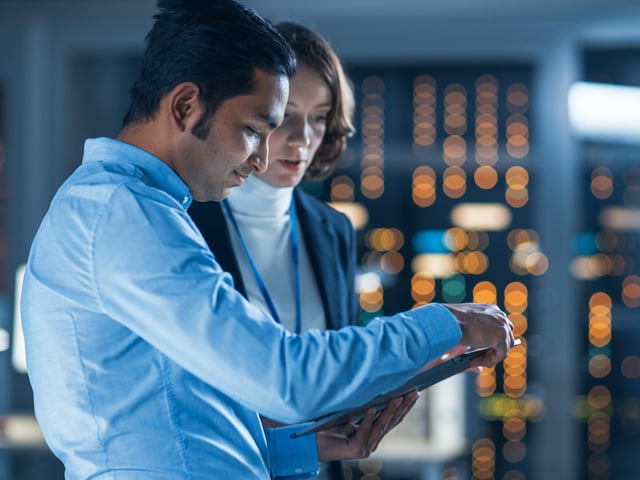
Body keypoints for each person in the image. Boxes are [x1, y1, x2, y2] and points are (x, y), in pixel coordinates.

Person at [19, 0, 516, 479]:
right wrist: (447, 322)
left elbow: (172, 433)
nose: (262, 158)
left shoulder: (141, 211)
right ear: (187, 106)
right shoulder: (122, 214)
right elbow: (286, 379)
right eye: (255, 129)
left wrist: (290, 448)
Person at [188, 20, 415, 479]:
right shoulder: (186, 220)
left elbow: (337, 364)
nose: (302, 136)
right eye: (285, 113)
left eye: (318, 116)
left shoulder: (333, 229)